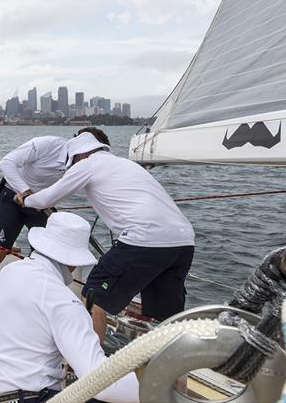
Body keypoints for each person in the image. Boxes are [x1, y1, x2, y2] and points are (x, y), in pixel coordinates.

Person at [22, 128, 195, 342]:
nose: (72, 167)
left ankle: (89, 366)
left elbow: (46, 200)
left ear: (81, 155)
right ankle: (174, 374)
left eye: (72, 162)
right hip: (183, 242)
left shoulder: (88, 164)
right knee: (167, 318)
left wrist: (24, 199)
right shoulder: (125, 164)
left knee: (94, 296)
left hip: (144, 239)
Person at [0, 212, 139, 403]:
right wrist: (152, 392)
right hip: (30, 398)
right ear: (74, 261)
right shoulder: (62, 301)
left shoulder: (7, 273)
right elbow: (102, 383)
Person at [0, 135, 67, 279]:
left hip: (40, 205)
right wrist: (25, 191)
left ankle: (33, 293)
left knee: (48, 255)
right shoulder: (47, 144)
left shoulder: (84, 164)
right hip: (13, 195)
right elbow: (6, 163)